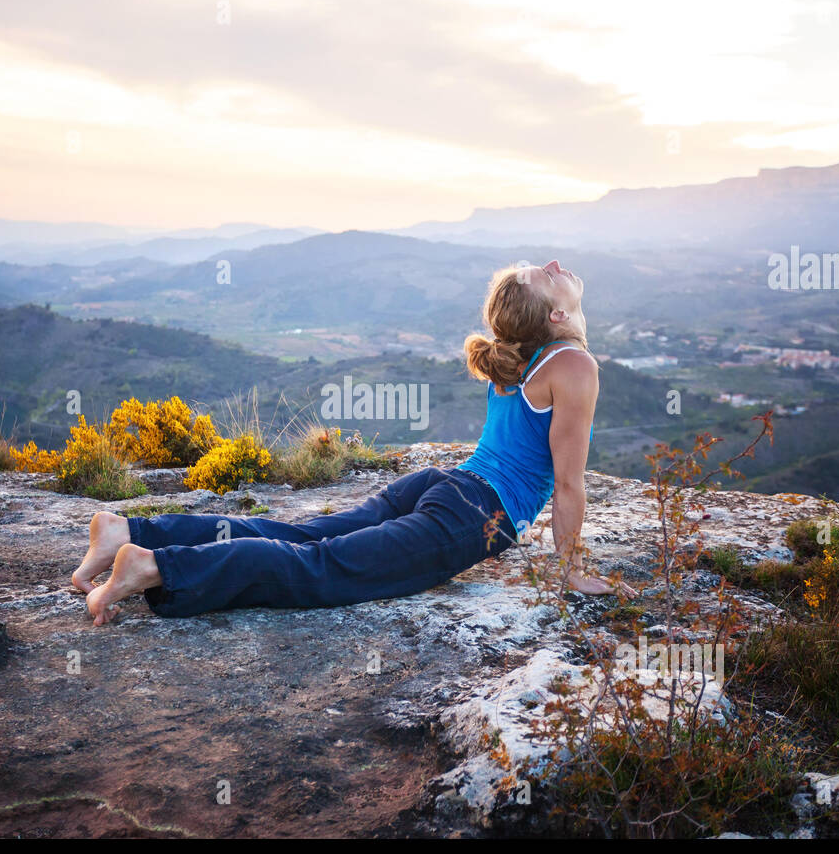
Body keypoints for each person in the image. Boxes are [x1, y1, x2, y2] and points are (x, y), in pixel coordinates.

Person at [73, 259, 637, 625]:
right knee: (319, 567)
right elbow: (567, 484)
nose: (554, 264)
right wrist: (570, 569)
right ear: (557, 313)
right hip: (473, 513)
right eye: (543, 272)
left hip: (442, 487)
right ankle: (155, 565)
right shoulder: (574, 364)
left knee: (299, 537)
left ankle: (127, 530)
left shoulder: (527, 352)